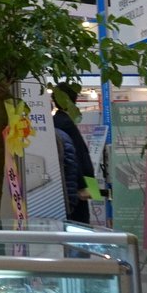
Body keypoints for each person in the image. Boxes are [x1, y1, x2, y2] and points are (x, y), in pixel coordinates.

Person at [52, 83, 93, 223]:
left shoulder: (57, 121)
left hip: (66, 188)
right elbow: (79, 157)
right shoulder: (66, 124)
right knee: (80, 226)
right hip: (76, 188)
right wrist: (86, 187)